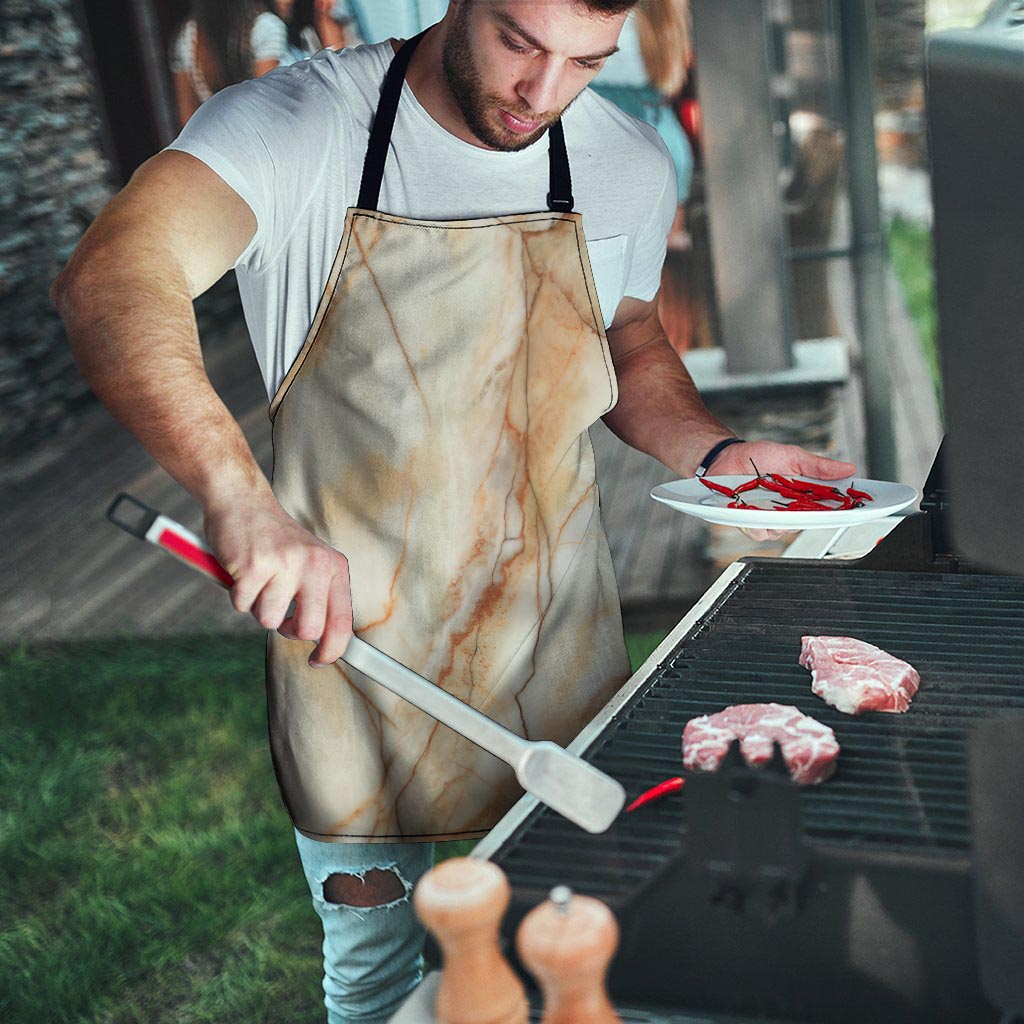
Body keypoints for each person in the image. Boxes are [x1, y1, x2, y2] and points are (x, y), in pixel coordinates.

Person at [52, 2, 856, 1020]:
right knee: (378, 979)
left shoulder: (625, 161)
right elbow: (113, 276)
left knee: (601, 951)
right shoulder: (299, 126)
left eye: (586, 62)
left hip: (555, 641)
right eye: (520, 42)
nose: (543, 93)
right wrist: (239, 497)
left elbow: (628, 335)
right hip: (355, 657)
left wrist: (717, 451)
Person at [171, 0, 289, 126]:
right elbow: (266, 104)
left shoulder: (188, 35)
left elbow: (187, 117)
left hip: (215, 133)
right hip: (262, 131)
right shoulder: (265, 27)